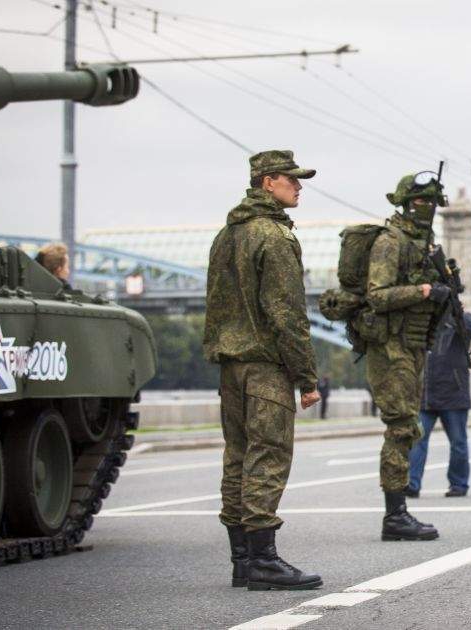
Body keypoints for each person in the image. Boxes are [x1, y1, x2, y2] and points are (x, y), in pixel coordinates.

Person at [203, 150, 322, 591]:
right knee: (267, 457)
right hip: (266, 367)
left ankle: (241, 559)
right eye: (292, 179)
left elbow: (215, 304)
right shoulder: (274, 236)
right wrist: (306, 378)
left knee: (236, 456)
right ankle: (264, 560)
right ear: (268, 182)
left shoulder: (226, 234)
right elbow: (287, 314)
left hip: (230, 364)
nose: (299, 186)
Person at [361, 172, 451, 542]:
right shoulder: (390, 241)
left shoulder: (426, 245)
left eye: (431, 203)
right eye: (419, 202)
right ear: (404, 203)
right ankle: (394, 514)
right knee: (400, 426)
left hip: (413, 345)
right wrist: (425, 290)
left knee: (408, 426)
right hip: (390, 346)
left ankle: (398, 511)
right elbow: (377, 295)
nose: (426, 209)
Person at [407, 311, 471, 498]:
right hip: (425, 396)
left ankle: (458, 484)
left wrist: (453, 309)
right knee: (417, 440)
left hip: (453, 394)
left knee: (458, 443)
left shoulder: (459, 318)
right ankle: (412, 484)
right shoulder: (423, 317)